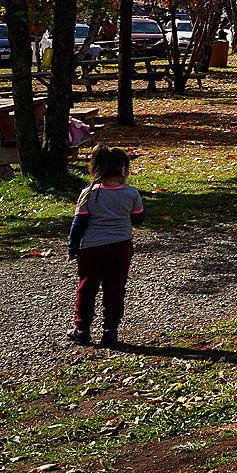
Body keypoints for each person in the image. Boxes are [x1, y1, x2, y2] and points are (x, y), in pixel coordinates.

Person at [66, 145, 144, 346]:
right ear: (123, 170)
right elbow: (138, 218)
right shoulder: (131, 193)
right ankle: (110, 331)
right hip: (121, 248)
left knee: (86, 288)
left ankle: (82, 329)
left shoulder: (88, 193)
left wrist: (72, 248)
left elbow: (78, 224)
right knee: (115, 288)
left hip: (92, 249)